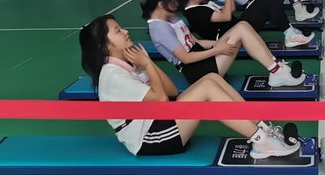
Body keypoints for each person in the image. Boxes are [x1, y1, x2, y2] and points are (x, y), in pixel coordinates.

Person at [80, 14, 301, 158]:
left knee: (211, 79)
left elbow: (171, 91)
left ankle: (261, 128)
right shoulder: (113, 75)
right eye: (118, 31)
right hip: (149, 138)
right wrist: (146, 64)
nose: (126, 31)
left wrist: (148, 64)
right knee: (208, 89)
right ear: (104, 46)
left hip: (160, 121)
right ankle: (261, 141)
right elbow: (162, 100)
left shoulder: (128, 63)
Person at [142, 0, 306, 87]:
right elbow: (186, 58)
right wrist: (218, 50)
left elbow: (196, 42)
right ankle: (276, 71)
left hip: (203, 58)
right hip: (197, 71)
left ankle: (276, 68)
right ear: (160, 5)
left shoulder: (171, 18)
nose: (177, 4)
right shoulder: (158, 28)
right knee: (241, 28)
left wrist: (217, 44)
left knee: (243, 25)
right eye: (172, 1)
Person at [181, 0, 314, 48]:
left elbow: (231, 10)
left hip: (238, 28)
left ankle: (290, 33)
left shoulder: (203, 6)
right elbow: (226, 17)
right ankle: (290, 35)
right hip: (232, 37)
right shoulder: (194, 12)